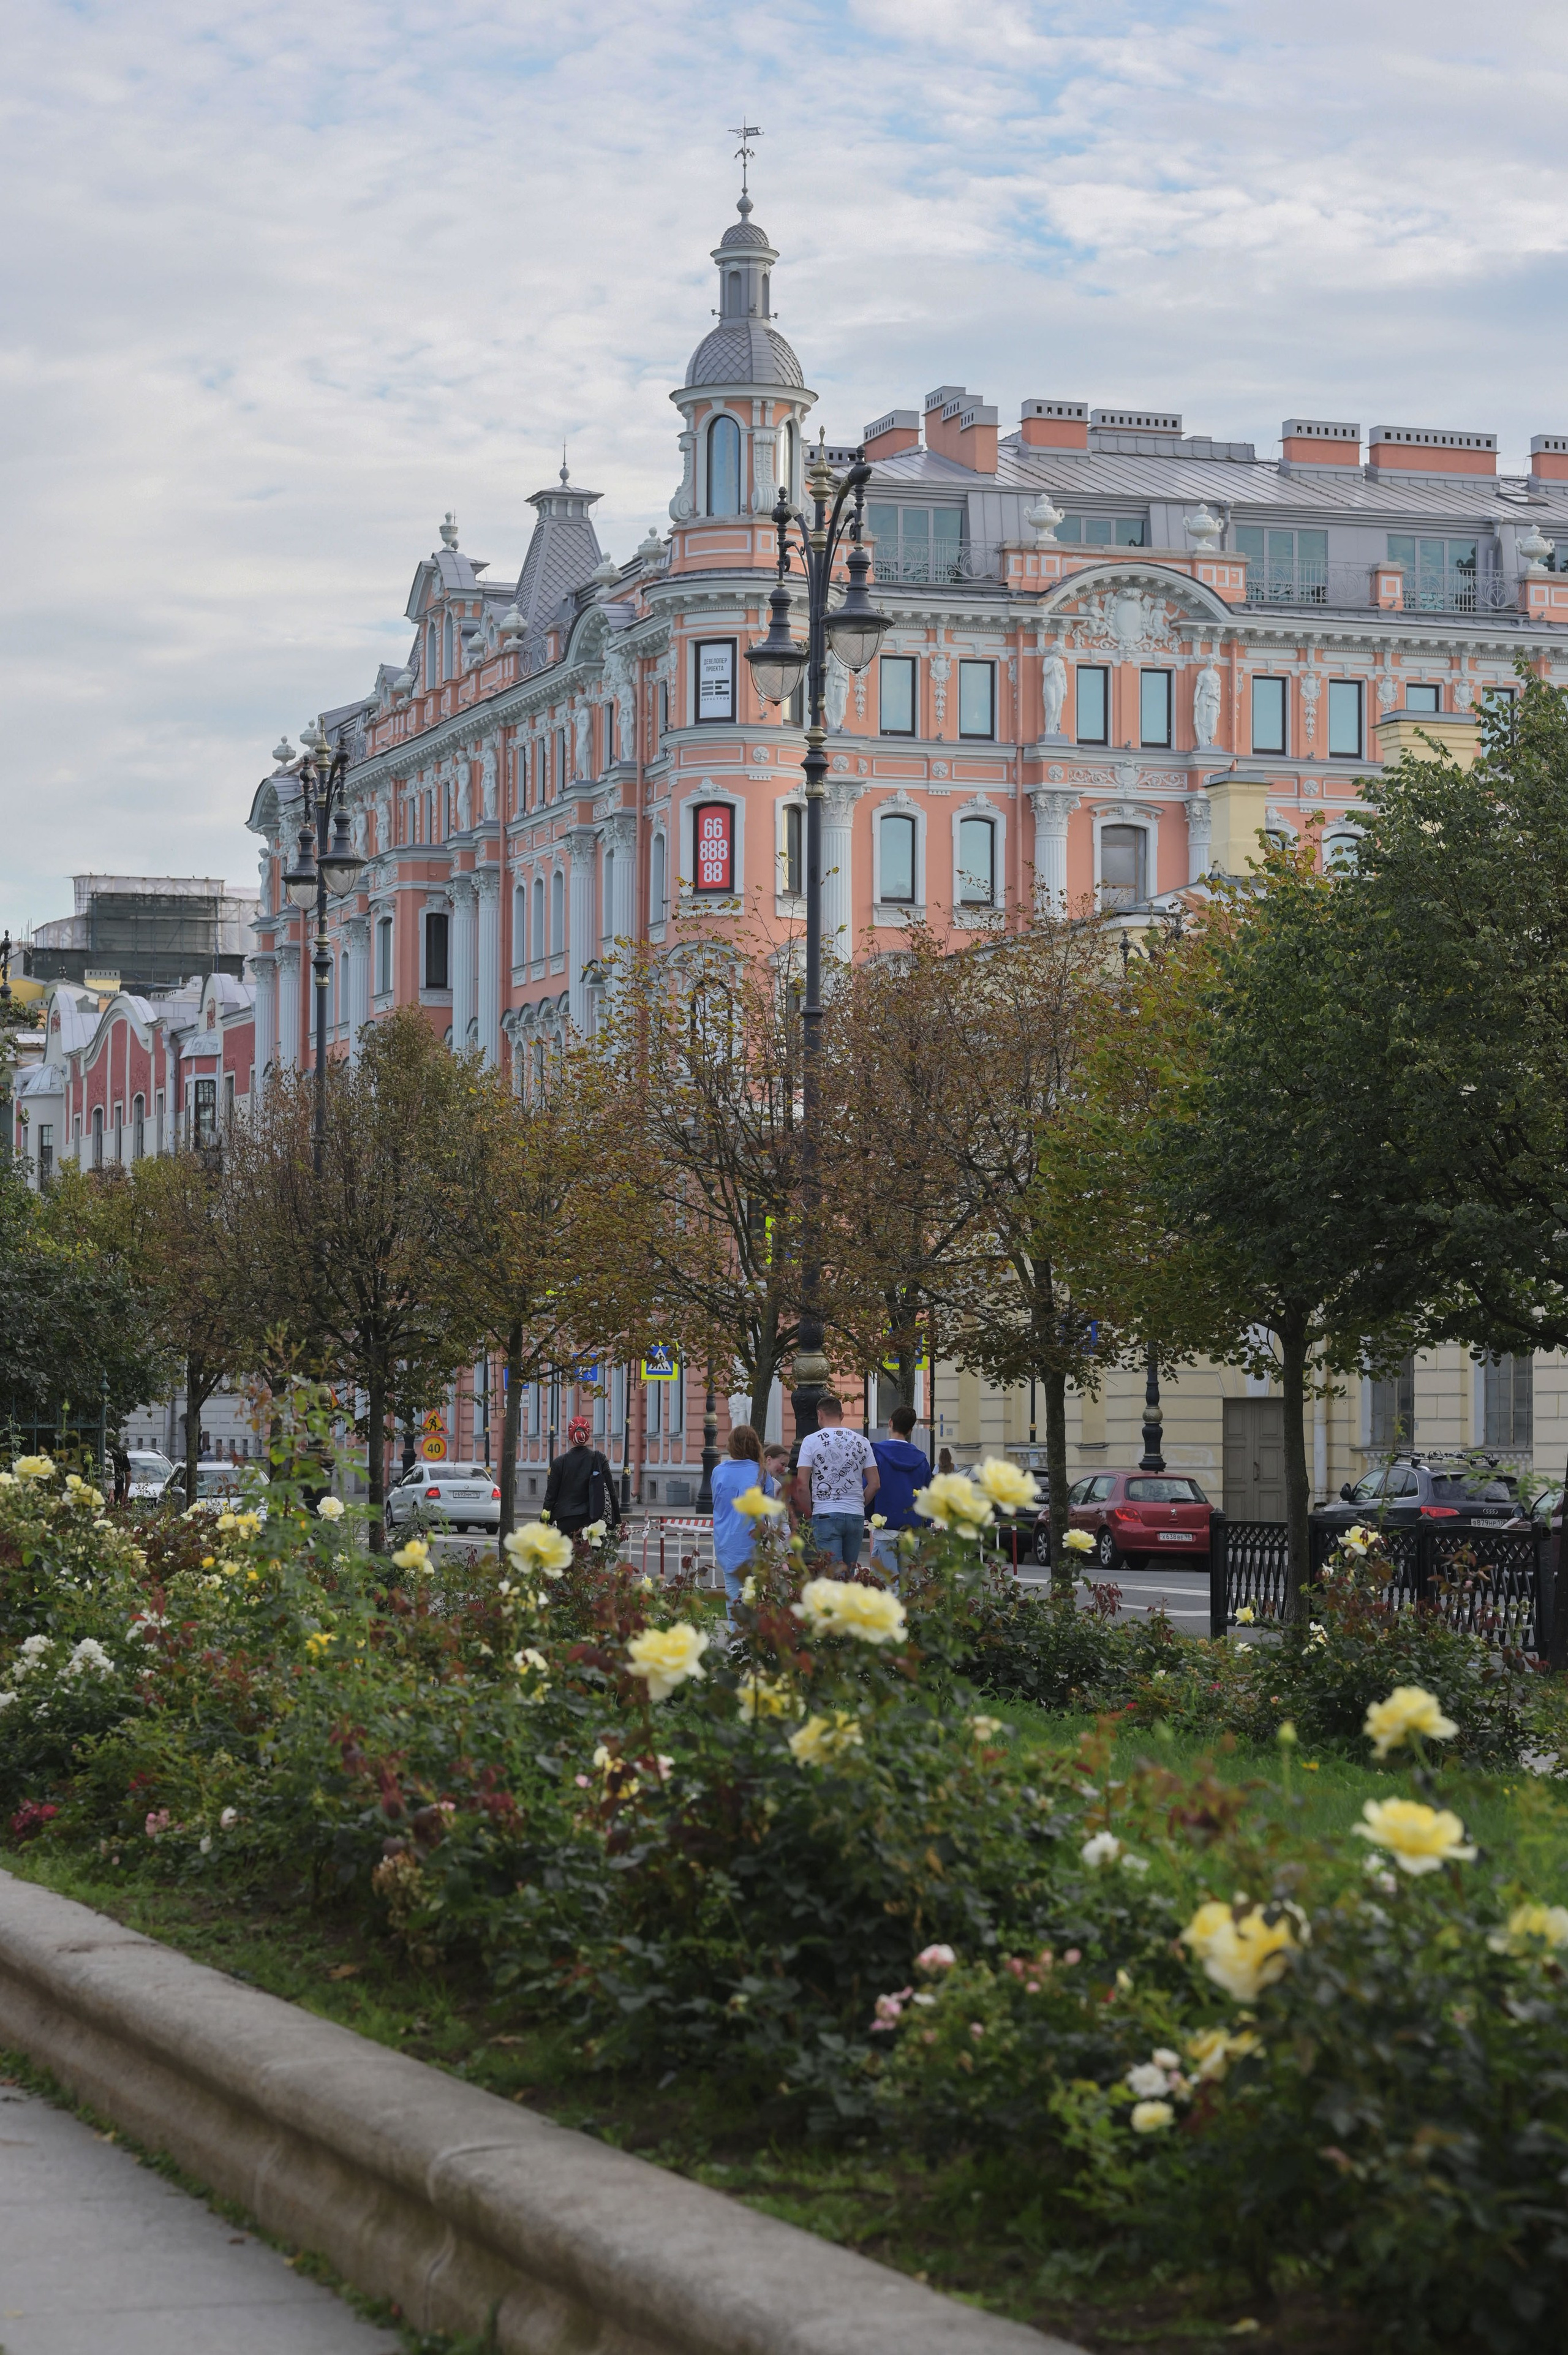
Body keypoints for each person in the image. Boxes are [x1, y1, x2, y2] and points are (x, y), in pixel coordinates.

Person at [794, 1396, 879, 1568]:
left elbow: (802, 1484)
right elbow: (875, 1483)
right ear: (842, 1415)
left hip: (825, 1514)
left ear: (820, 1415)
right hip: (855, 1515)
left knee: (832, 1574)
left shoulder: (811, 1441)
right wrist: (859, 1504)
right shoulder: (862, 1442)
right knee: (848, 1574)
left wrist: (810, 1512)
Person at [709, 1424, 779, 1623]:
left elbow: (718, 1503)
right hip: (753, 1541)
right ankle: (755, 1640)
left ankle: (736, 1643)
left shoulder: (718, 1472)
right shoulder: (761, 1473)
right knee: (757, 1595)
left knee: (733, 1595)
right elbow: (770, 1510)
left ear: (732, 1445)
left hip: (726, 1540)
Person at [869, 1405, 931, 1579]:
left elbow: (870, 1486)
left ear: (890, 1423)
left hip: (884, 1527)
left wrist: (871, 1517)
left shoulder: (877, 1454)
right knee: (910, 1587)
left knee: (886, 1584)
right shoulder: (921, 1460)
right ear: (911, 1430)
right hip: (912, 1530)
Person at [543, 1415, 620, 1541]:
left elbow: (550, 1497)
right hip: (592, 1519)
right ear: (588, 1435)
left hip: (566, 1520)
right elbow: (611, 1492)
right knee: (591, 1558)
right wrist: (617, 1522)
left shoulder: (559, 1463)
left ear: (570, 1435)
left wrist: (543, 1523)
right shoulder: (598, 1459)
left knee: (568, 1558)